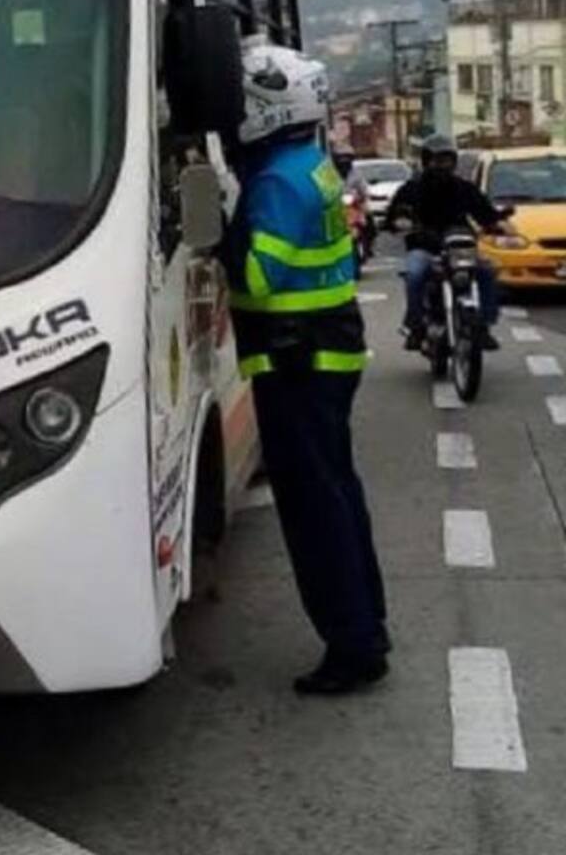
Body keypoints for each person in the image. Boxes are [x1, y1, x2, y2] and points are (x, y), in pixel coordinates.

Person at [221, 42, 390, 695]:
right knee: (339, 493)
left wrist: (216, 237)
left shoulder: (273, 179)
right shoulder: (309, 162)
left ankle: (353, 645)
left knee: (314, 508)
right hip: (326, 351)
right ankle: (367, 624)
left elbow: (258, 278)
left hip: (295, 358)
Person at [382, 134, 505, 352]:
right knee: (414, 274)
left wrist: (497, 223)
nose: (441, 165)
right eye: (436, 160)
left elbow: (484, 212)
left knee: (487, 270)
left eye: (446, 160)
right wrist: (398, 222)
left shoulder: (464, 188)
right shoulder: (412, 189)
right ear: (426, 160)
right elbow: (395, 215)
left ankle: (484, 325)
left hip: (460, 249)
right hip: (424, 248)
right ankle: (415, 325)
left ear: (454, 161)